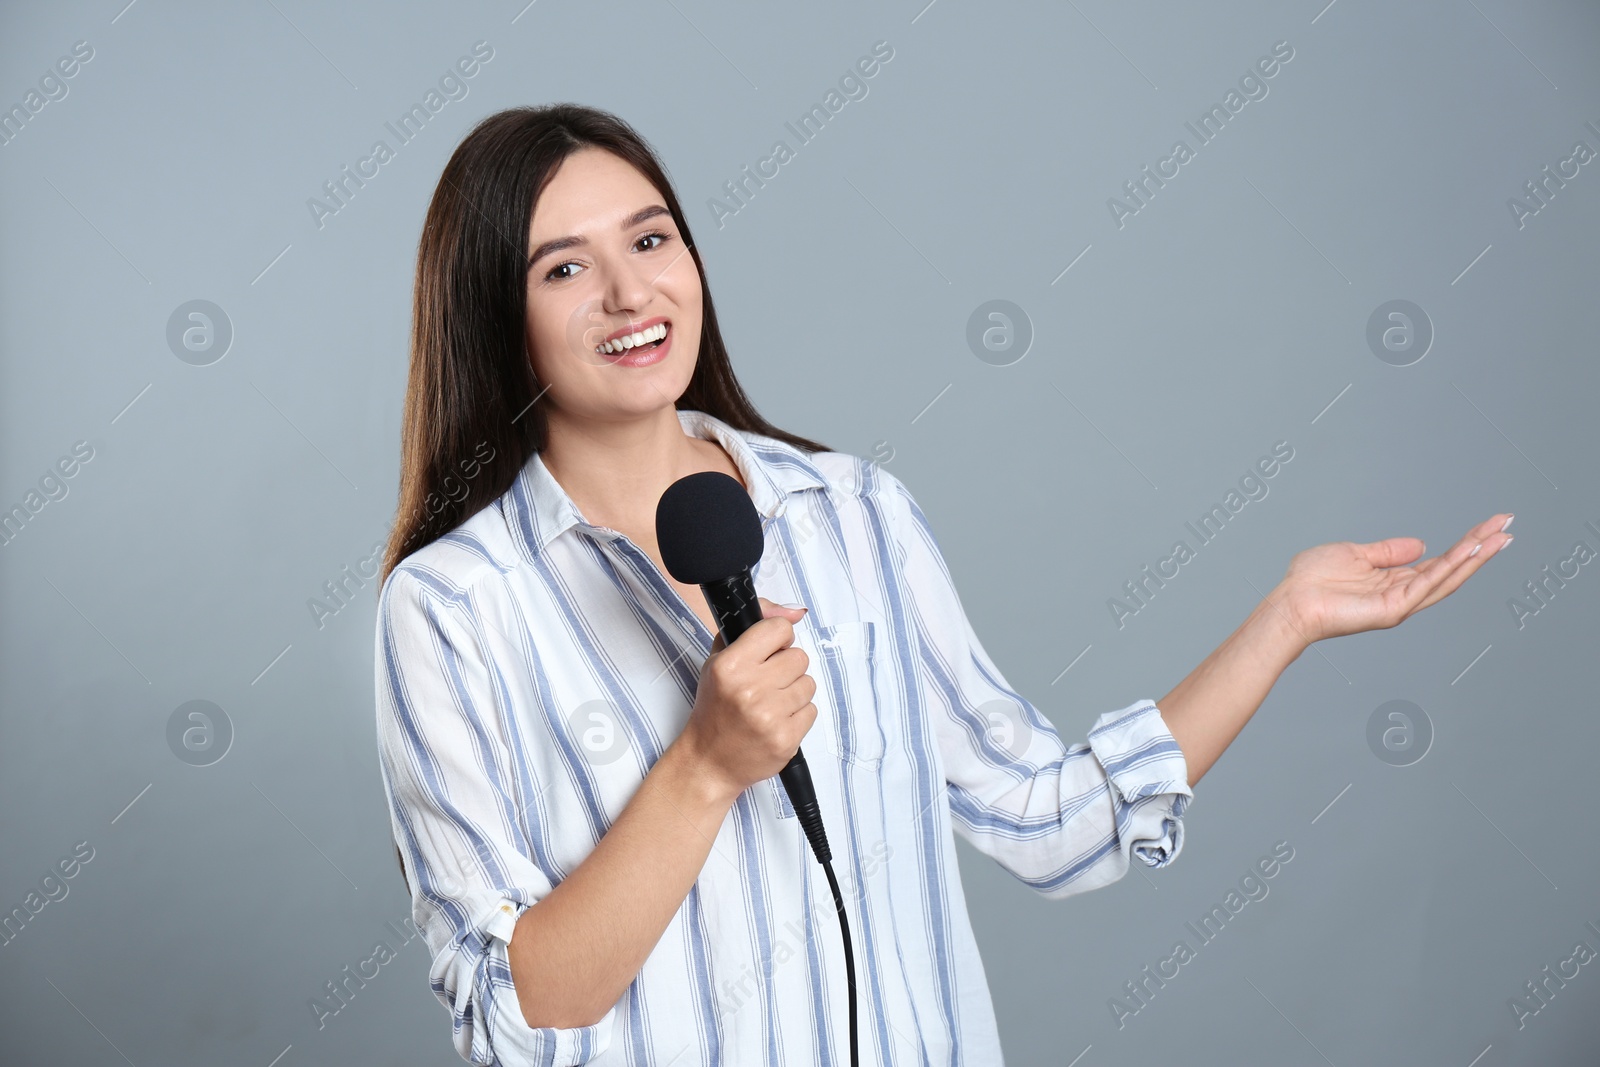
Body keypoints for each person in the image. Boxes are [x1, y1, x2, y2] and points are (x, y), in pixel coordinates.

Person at [372, 103, 1511, 1066]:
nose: (630, 292)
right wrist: (704, 767)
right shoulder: (454, 611)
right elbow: (520, 1006)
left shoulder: (854, 514)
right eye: (565, 267)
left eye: (652, 240)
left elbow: (1053, 819)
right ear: (496, 317)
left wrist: (1288, 619)